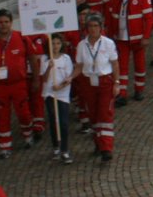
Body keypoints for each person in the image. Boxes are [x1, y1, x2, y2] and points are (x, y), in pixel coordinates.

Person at [0, 9, 33, 155]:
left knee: (24, 113)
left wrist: (36, 80)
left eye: (6, 22)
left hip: (19, 84)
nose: (3, 25)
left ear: (11, 22)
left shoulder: (22, 38)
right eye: (0, 22)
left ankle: (28, 135)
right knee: (2, 115)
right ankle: (5, 146)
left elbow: (32, 58)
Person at [105, 0, 153, 103]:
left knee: (140, 65)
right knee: (122, 67)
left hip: (137, 39)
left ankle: (139, 90)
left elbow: (149, 19)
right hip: (120, 39)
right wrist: (110, 37)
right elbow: (109, 19)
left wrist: (146, 36)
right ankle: (122, 93)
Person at [74, 12, 118, 161]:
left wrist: (117, 83)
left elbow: (115, 64)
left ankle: (106, 148)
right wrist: (69, 78)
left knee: (105, 113)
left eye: (95, 26)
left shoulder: (108, 43)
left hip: (105, 81)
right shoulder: (81, 45)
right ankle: (98, 143)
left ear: (101, 27)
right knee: (93, 114)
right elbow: (79, 66)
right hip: (88, 82)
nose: (93, 29)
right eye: (90, 26)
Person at [42, 32, 75, 163]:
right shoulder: (44, 59)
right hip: (49, 94)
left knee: (64, 122)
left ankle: (65, 149)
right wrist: (49, 68)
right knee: (53, 120)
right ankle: (56, 147)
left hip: (62, 94)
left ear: (61, 45)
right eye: (53, 43)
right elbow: (44, 79)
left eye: (58, 43)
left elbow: (69, 78)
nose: (55, 46)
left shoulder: (66, 58)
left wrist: (60, 87)